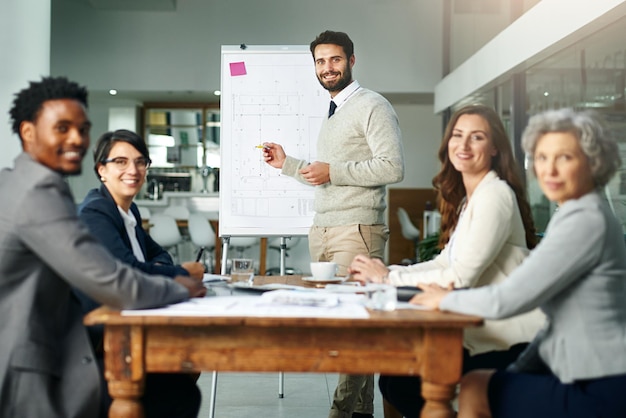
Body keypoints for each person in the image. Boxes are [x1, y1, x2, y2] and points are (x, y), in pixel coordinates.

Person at [0, 76, 206, 418]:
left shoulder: (16, 181)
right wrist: (178, 286)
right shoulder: (39, 193)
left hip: (32, 347)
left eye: (83, 128)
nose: (77, 139)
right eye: (62, 128)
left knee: (176, 383)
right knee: (175, 393)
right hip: (27, 367)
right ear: (28, 132)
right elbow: (112, 281)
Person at [414, 108, 626, 418]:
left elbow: (508, 299)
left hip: (601, 385)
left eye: (564, 158)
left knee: (473, 388)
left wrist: (447, 299)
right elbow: (555, 323)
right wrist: (517, 370)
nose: (549, 170)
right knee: (477, 383)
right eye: (541, 157)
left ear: (592, 162)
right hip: (588, 374)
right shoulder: (575, 213)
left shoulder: (585, 219)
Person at [348, 104, 545, 418]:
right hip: (482, 331)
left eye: (477, 137)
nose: (464, 145)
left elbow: (460, 277)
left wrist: (386, 279)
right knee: (396, 378)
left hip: (511, 340)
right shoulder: (474, 197)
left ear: (494, 148)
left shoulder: (495, 195)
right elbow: (444, 262)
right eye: (457, 135)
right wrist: (389, 272)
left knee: (402, 382)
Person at [263, 30, 404, 418]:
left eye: (335, 60)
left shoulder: (371, 104)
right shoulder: (333, 112)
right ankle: (361, 412)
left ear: (351, 61)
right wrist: (287, 164)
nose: (328, 68)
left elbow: (392, 167)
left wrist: (335, 170)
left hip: (357, 229)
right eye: (321, 61)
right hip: (323, 229)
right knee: (347, 327)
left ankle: (338, 413)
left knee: (355, 327)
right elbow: (324, 175)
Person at [77, 129, 204, 280]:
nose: (133, 170)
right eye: (121, 162)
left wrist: (152, 269)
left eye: (140, 162)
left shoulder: (130, 210)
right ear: (102, 170)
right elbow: (127, 270)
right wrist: (184, 272)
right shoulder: (94, 213)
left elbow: (161, 255)